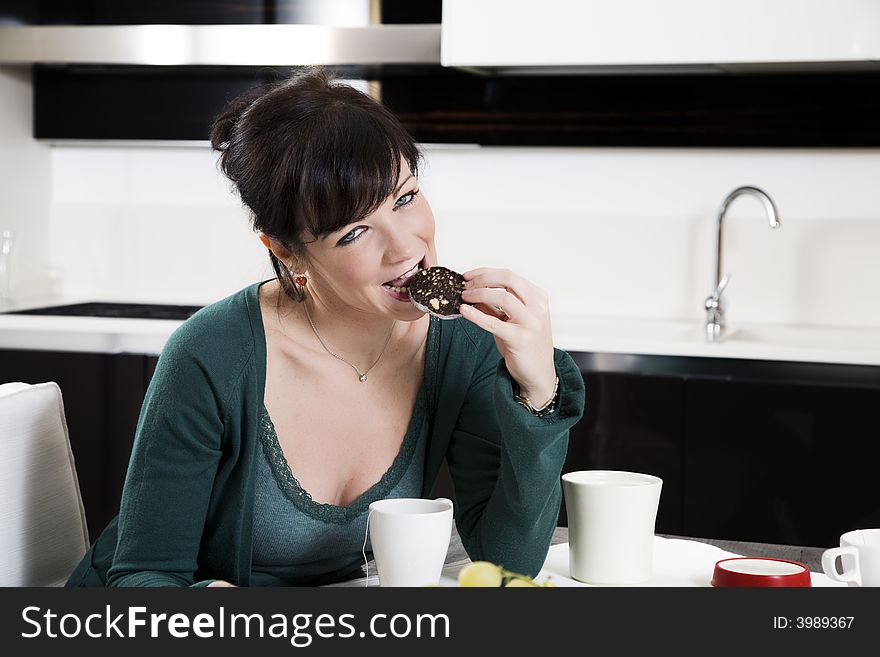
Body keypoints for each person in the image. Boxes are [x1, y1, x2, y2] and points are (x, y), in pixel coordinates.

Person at [66, 67, 585, 587]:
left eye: (404, 198)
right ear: (286, 250)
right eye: (354, 231)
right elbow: (143, 573)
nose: (406, 247)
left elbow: (508, 560)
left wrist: (537, 392)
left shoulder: (462, 345)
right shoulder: (210, 354)